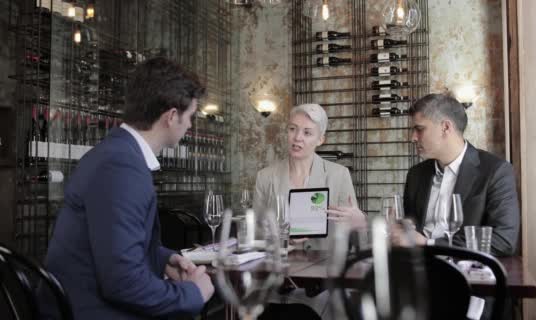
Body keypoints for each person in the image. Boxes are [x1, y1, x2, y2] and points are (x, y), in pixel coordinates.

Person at [44, 57, 215, 319]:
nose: (191, 126)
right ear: (171, 116)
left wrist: (163, 260)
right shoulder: (122, 168)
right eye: (190, 116)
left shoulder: (114, 152)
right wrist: (193, 293)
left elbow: (109, 244)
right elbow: (122, 284)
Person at [253, 103, 365, 320]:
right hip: (276, 288)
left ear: (320, 139)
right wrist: (280, 240)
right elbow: (256, 235)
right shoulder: (265, 177)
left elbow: (357, 242)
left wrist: (360, 223)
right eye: (292, 129)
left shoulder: (339, 175)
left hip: (324, 288)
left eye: (307, 132)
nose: (297, 138)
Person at [401, 93, 520, 256]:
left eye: (419, 129)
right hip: (417, 272)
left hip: (466, 275)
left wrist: (429, 244)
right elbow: (410, 231)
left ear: (446, 128)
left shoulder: (496, 172)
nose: (413, 138)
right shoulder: (415, 175)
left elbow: (503, 240)